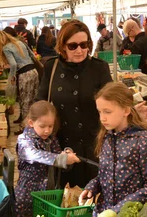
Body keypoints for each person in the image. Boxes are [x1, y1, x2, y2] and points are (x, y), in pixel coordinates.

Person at [36, 20, 112, 188]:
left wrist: (130, 109)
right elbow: (40, 102)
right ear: (63, 46)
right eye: (73, 46)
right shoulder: (51, 67)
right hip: (62, 146)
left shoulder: (99, 68)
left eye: (84, 45)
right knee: (66, 197)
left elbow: (113, 102)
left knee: (97, 197)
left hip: (95, 146)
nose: (79, 50)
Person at [79, 82, 147, 214]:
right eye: (99, 112)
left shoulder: (142, 141)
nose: (102, 118)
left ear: (126, 110)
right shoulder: (106, 137)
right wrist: (92, 187)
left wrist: (121, 208)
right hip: (104, 214)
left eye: (107, 112)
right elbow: (105, 174)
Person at [15, 101, 80, 217]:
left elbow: (59, 163)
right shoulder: (24, 140)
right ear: (31, 122)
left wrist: (67, 157)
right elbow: (34, 155)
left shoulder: (51, 139)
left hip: (48, 193)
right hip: (27, 196)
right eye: (42, 126)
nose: (47, 130)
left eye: (50, 126)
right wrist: (61, 159)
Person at [0, 30, 39, 135]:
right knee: (32, 99)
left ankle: (24, 128)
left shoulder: (6, 48)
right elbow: (32, 55)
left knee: (25, 101)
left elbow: (13, 65)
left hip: (24, 75)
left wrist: (12, 76)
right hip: (34, 71)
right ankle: (33, 124)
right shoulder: (20, 43)